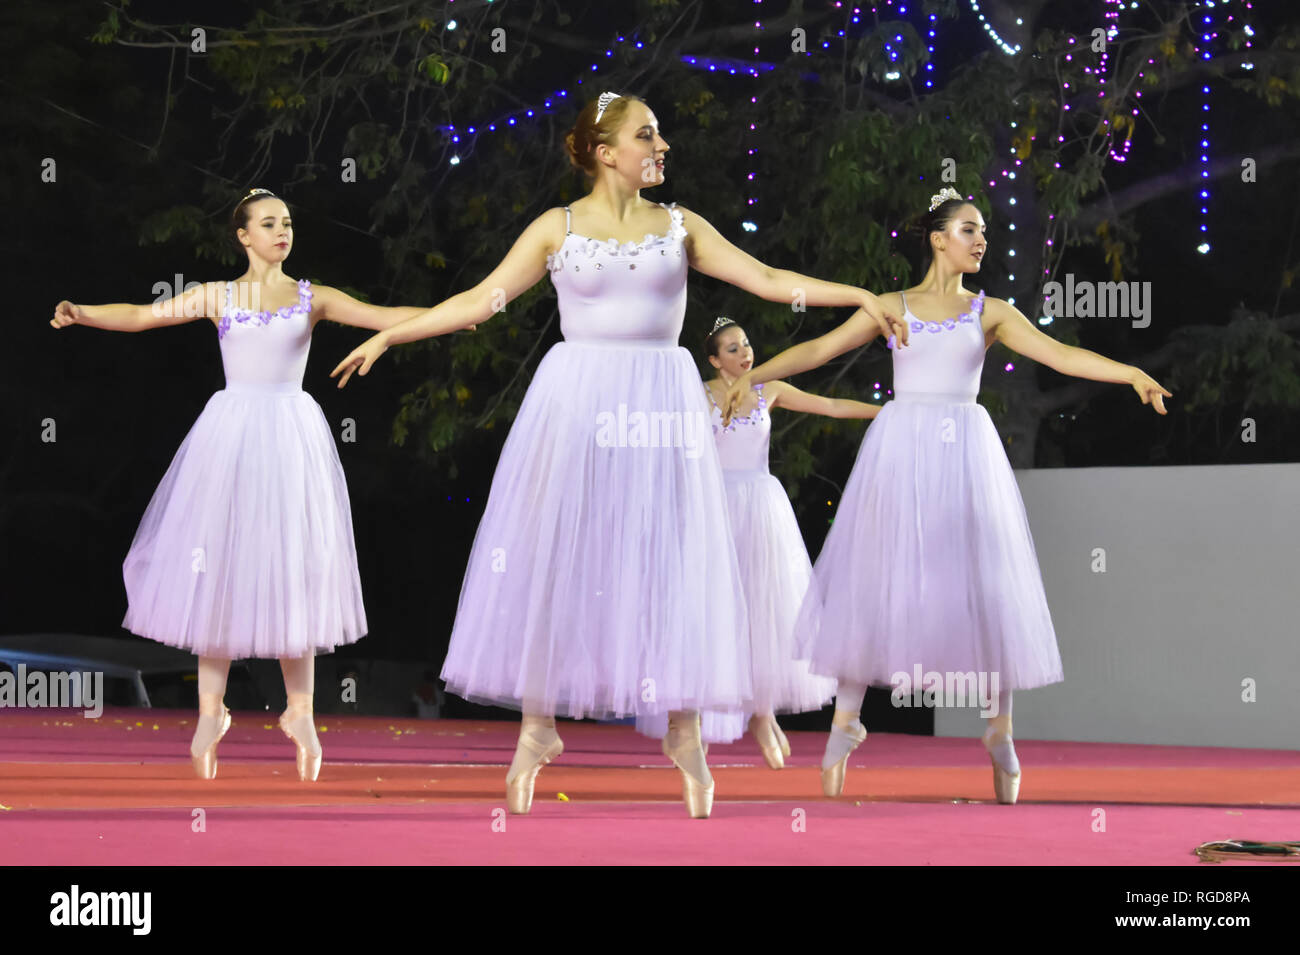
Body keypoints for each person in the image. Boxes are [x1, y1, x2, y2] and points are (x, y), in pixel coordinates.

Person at [330, 92, 903, 818]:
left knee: (674, 556)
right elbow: (478, 301)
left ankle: (684, 728)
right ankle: (539, 727)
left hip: (661, 404)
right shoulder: (557, 229)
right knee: (554, 555)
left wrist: (858, 293)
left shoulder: (680, 227)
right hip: (576, 402)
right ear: (605, 151)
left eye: (659, 132)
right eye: (646, 134)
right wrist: (391, 335)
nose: (661, 145)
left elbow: (766, 279)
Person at [723, 187, 1171, 803]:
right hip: (901, 447)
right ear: (938, 239)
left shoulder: (991, 311)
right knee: (875, 577)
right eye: (969, 229)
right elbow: (821, 350)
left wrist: (1129, 373)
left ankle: (999, 728)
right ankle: (848, 720)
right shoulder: (889, 306)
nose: (981, 239)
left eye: (983, 230)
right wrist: (753, 376)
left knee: (986, 581)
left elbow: (1058, 353)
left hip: (963, 450)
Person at [51, 187, 432, 781]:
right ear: (243, 236)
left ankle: (301, 713)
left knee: (295, 566)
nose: (282, 231)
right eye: (269, 223)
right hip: (230, 438)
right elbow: (144, 315)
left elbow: (388, 317)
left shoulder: (314, 298)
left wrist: (466, 310)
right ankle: (211, 712)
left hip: (290, 437)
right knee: (217, 566)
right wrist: (83, 312)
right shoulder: (218, 296)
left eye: (287, 223)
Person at [681, 317, 881, 768]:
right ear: (714, 360)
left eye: (746, 343)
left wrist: (884, 411)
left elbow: (828, 405)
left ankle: (762, 710)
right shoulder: (697, 393)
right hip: (715, 508)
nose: (744, 352)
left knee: (765, 607)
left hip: (761, 507)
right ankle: (701, 724)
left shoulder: (768, 389)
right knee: (716, 610)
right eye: (731, 349)